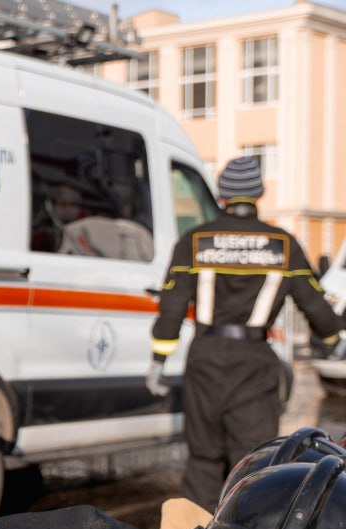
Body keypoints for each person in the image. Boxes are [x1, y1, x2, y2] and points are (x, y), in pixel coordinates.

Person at [146, 155, 344, 510]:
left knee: (203, 460)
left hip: (205, 359)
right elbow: (314, 305)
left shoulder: (194, 242)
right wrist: (331, 340)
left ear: (222, 195)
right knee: (255, 467)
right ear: (257, 195)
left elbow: (172, 305)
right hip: (255, 364)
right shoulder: (283, 245)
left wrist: (158, 359)